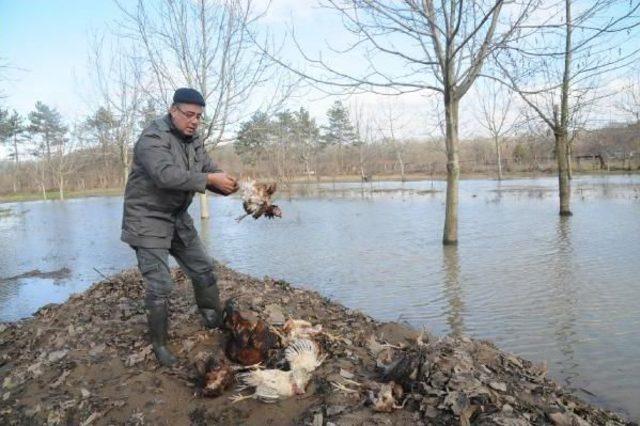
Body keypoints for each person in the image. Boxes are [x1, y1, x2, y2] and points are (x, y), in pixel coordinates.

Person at [121, 88, 238, 366]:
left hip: (176, 215)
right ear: (173, 110)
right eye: (188, 114)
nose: (194, 121)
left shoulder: (193, 140)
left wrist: (228, 184)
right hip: (146, 217)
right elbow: (166, 175)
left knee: (203, 267)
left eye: (199, 116)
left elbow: (209, 170)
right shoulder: (152, 138)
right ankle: (160, 346)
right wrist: (209, 178)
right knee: (160, 285)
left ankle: (213, 320)